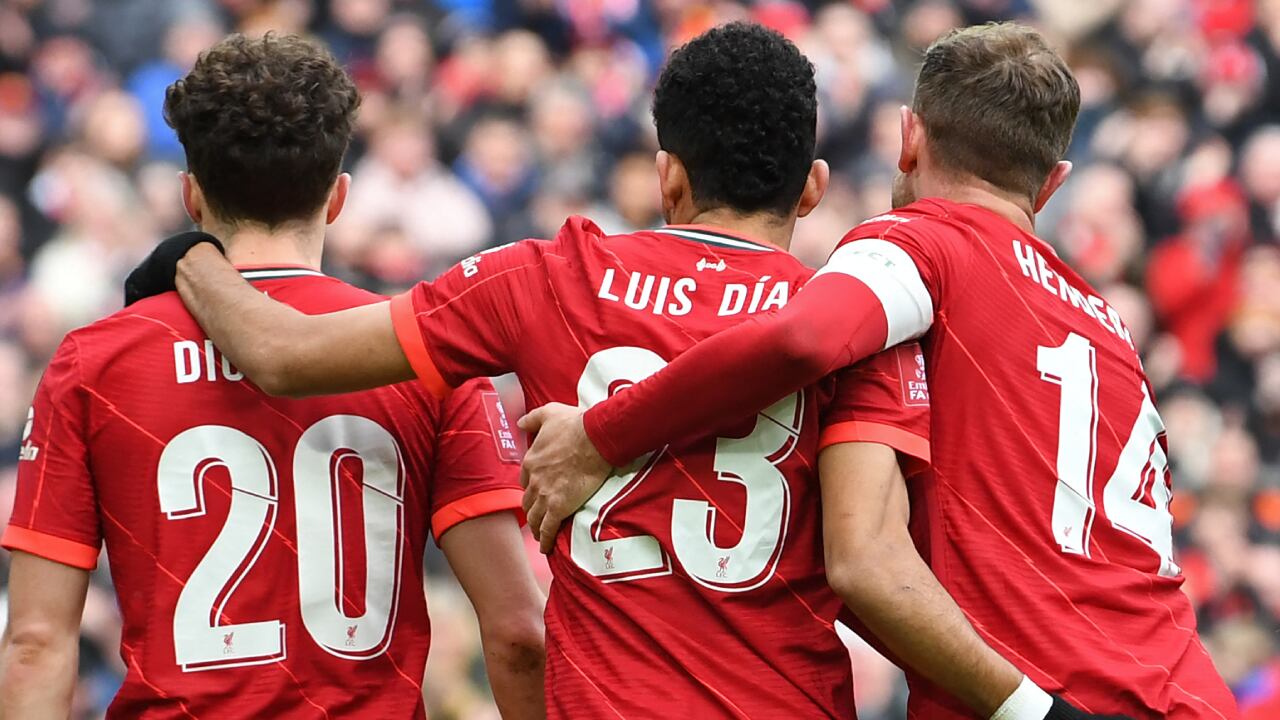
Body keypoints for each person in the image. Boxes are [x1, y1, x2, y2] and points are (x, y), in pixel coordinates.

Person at [127, 22, 1123, 720]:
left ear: (668, 176)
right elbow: (872, 567)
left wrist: (190, 258)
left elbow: (284, 356)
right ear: (813, 189)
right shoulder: (857, 329)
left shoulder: (548, 276)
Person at [510, 22, 1241, 720]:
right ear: (1052, 184)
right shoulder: (1104, 321)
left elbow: (802, 338)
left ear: (907, 137)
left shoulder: (919, 242)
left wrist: (606, 433)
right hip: (1189, 684)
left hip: (1064, 694)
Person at [0, 34, 545, 719]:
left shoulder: (92, 361)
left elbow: (35, 643)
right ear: (338, 197)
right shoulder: (423, 356)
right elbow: (519, 631)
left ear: (191, 198)